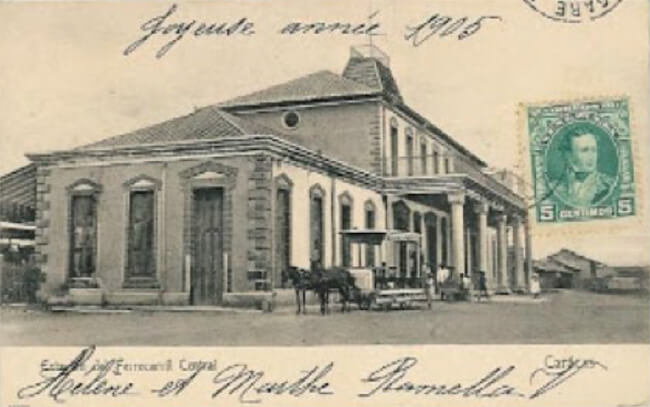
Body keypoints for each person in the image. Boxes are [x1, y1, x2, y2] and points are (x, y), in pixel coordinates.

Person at [554, 128, 614, 207]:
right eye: (584, 150)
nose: (591, 156)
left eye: (594, 150)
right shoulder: (554, 188)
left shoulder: (610, 185)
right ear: (568, 156)